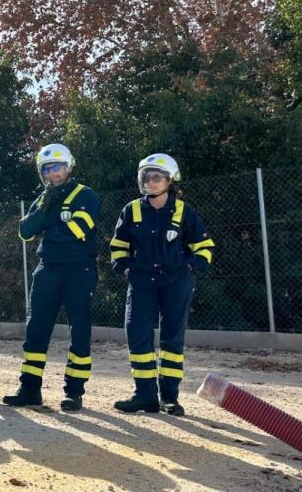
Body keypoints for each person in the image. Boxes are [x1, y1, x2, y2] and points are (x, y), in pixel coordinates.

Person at [110, 154, 215, 416]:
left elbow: (204, 247)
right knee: (137, 333)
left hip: (176, 282)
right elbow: (118, 246)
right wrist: (125, 270)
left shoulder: (183, 211)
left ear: (170, 180)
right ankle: (145, 396)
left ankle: (170, 398)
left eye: (156, 177)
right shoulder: (131, 209)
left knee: (172, 337)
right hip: (142, 281)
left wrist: (191, 267)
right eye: (147, 177)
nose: (151, 182)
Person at [4, 144, 99, 411]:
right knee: (36, 329)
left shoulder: (85, 195)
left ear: (69, 167)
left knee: (79, 330)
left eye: (57, 166)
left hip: (78, 269)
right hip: (47, 269)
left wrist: (48, 226)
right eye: (47, 168)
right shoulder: (43, 198)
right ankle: (30, 388)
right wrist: (44, 211)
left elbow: (76, 230)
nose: (52, 172)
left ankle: (74, 392)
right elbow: (24, 232)